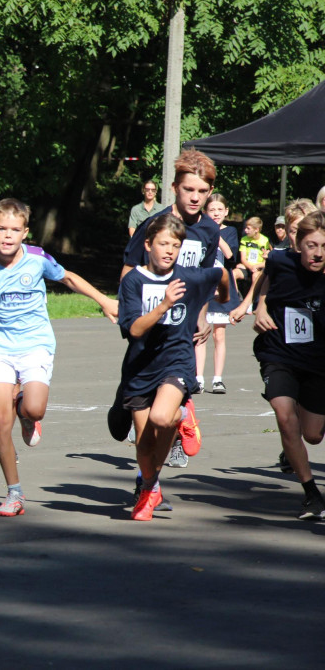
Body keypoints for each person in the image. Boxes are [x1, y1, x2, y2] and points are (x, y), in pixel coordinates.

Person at [0, 198, 118, 516]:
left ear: (25, 232)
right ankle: (14, 493)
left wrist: (103, 300)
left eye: (15, 230)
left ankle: (26, 413)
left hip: (35, 345)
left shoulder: (38, 259)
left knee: (35, 408)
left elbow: (68, 278)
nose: (8, 236)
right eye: (1, 229)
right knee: (0, 422)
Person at [117, 214, 228, 520]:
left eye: (176, 246)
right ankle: (150, 489)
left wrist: (221, 302)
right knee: (143, 447)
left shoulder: (189, 276)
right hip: (141, 367)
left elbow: (220, 275)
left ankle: (178, 412)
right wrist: (164, 305)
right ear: (148, 244)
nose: (169, 250)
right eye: (163, 244)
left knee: (161, 416)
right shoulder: (133, 281)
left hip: (177, 360)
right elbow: (135, 330)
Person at [116, 149, 220, 469]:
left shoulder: (210, 232)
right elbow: (128, 270)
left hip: (181, 329)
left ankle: (147, 483)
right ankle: (173, 423)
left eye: (202, 192)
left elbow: (206, 281)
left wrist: (203, 317)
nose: (195, 197)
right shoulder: (154, 225)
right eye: (189, 189)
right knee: (142, 429)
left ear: (210, 193)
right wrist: (128, 309)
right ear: (174, 187)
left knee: (160, 414)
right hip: (149, 325)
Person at [251, 211, 325, 520]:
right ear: (297, 245)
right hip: (278, 353)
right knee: (284, 415)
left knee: (313, 435)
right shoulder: (280, 261)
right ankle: (311, 494)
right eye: (311, 245)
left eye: (323, 246)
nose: (318, 252)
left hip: (318, 363)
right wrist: (258, 308)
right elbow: (265, 284)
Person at [194, 193, 239, 395]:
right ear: (205, 212)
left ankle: (218, 379)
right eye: (212, 210)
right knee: (201, 333)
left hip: (222, 287)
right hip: (204, 285)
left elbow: (231, 257)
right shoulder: (200, 231)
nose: (216, 213)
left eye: (220, 210)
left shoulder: (229, 232)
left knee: (218, 334)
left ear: (226, 212)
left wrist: (215, 234)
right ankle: (198, 378)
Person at [235, 216, 270, 288]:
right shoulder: (244, 239)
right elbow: (243, 259)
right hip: (247, 266)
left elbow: (266, 262)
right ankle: (236, 297)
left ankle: (254, 298)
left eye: (248, 228)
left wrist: (256, 267)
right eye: (245, 228)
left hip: (258, 268)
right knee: (233, 273)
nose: (245, 230)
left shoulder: (265, 241)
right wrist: (251, 267)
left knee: (255, 276)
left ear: (256, 229)